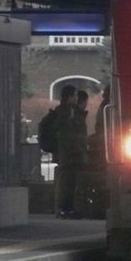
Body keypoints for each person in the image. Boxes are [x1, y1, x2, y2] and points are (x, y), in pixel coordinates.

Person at [53, 84, 88, 218]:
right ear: (69, 97)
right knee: (68, 182)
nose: (76, 98)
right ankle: (66, 209)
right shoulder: (69, 112)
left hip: (68, 152)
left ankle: (66, 208)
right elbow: (72, 134)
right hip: (71, 153)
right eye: (74, 95)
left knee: (69, 181)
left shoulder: (65, 111)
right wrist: (80, 150)